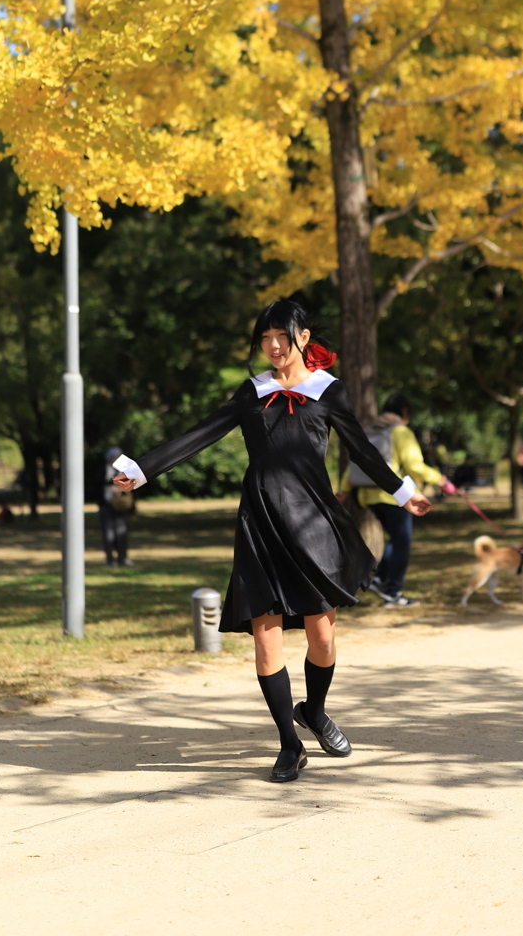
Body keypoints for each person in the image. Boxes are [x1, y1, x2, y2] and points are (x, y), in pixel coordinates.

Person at [112, 297, 431, 784]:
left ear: (303, 338)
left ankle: (315, 710)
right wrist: (142, 469)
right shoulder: (252, 392)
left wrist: (402, 492)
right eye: (265, 339)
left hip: (314, 523)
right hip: (261, 522)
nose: (273, 346)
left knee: (322, 636)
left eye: (282, 337)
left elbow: (362, 450)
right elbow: (202, 433)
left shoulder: (328, 391)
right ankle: (288, 743)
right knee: (266, 641)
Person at [342, 391, 448, 608]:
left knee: (396, 539)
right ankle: (394, 592)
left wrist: (343, 489)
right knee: (402, 542)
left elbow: (359, 461)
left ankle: (380, 578)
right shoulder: (401, 432)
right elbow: (414, 465)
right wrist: (441, 480)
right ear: (405, 412)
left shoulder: (371, 431)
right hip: (395, 496)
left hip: (367, 495)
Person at [99, 445, 135, 567]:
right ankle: (110, 559)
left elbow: (133, 481)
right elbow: (98, 483)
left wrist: (121, 488)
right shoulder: (104, 469)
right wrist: (113, 483)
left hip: (121, 505)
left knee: (121, 532)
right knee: (109, 533)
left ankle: (122, 558)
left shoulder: (124, 467)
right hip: (107, 505)